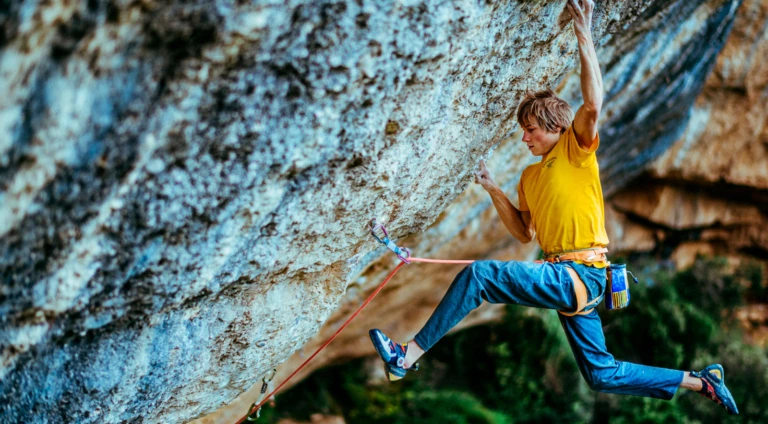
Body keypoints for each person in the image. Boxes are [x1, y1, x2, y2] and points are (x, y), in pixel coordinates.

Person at [368, 0, 738, 415]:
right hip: (568, 278)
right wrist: (493, 189)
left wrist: (584, 29)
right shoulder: (529, 178)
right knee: (601, 375)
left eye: (529, 130)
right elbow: (525, 232)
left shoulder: (575, 149)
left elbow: (593, 104)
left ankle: (406, 356)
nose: (524, 139)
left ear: (553, 127)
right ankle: (699, 381)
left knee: (479, 276)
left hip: (581, 274)